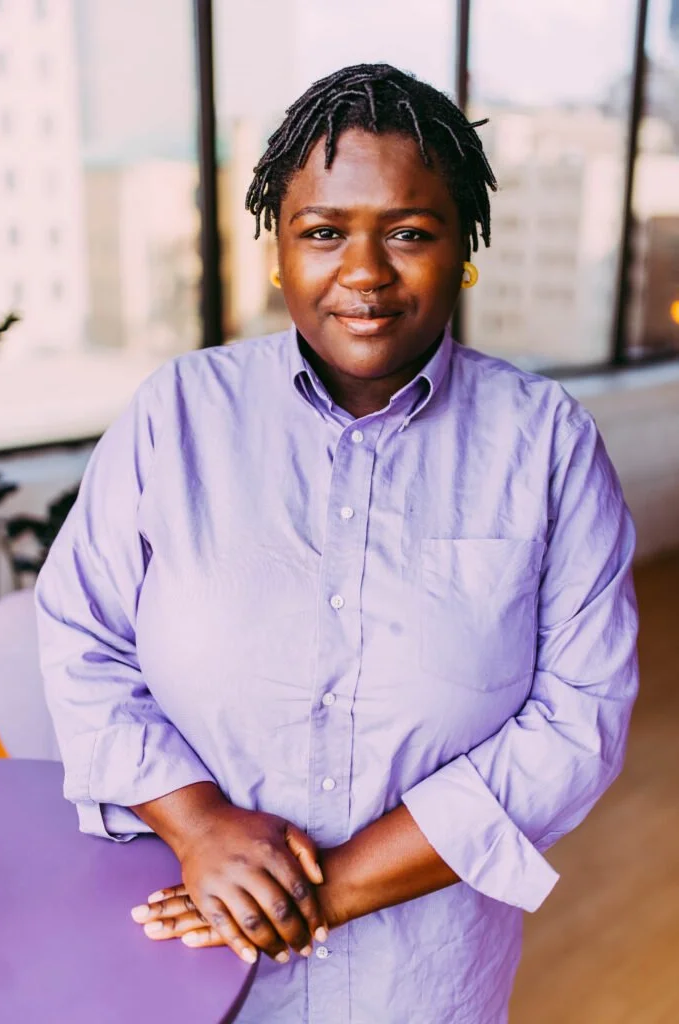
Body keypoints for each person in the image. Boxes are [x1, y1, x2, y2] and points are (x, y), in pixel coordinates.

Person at [34, 63, 639, 1024]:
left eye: (408, 231)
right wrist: (196, 825)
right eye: (323, 233)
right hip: (184, 955)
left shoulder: (546, 442)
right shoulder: (177, 415)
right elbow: (82, 640)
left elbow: (579, 718)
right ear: (279, 251)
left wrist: (327, 890)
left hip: (422, 978)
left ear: (463, 248)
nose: (363, 272)